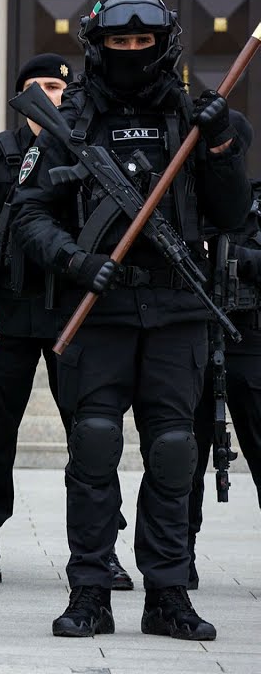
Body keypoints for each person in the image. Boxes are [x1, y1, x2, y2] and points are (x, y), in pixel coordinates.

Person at [13, 0, 249, 640]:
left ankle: (168, 594)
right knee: (93, 447)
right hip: (99, 312)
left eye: (143, 44)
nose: (132, 54)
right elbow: (28, 214)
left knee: (175, 453)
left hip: (178, 310)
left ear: (164, 44)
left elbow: (230, 215)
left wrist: (222, 141)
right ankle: (90, 589)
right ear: (99, 46)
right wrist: (75, 260)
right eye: (119, 44)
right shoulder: (70, 121)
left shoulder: (199, 120)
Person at [0, 53, 132, 591]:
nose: (49, 96)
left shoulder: (91, 148)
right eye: (36, 87)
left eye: (57, 86)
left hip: (72, 312)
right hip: (6, 310)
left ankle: (101, 547)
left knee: (92, 434)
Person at [189, 113, 255, 591]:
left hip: (249, 343)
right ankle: (177, 555)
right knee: (180, 459)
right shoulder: (189, 200)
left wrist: (236, 257)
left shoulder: (251, 202)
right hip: (192, 337)